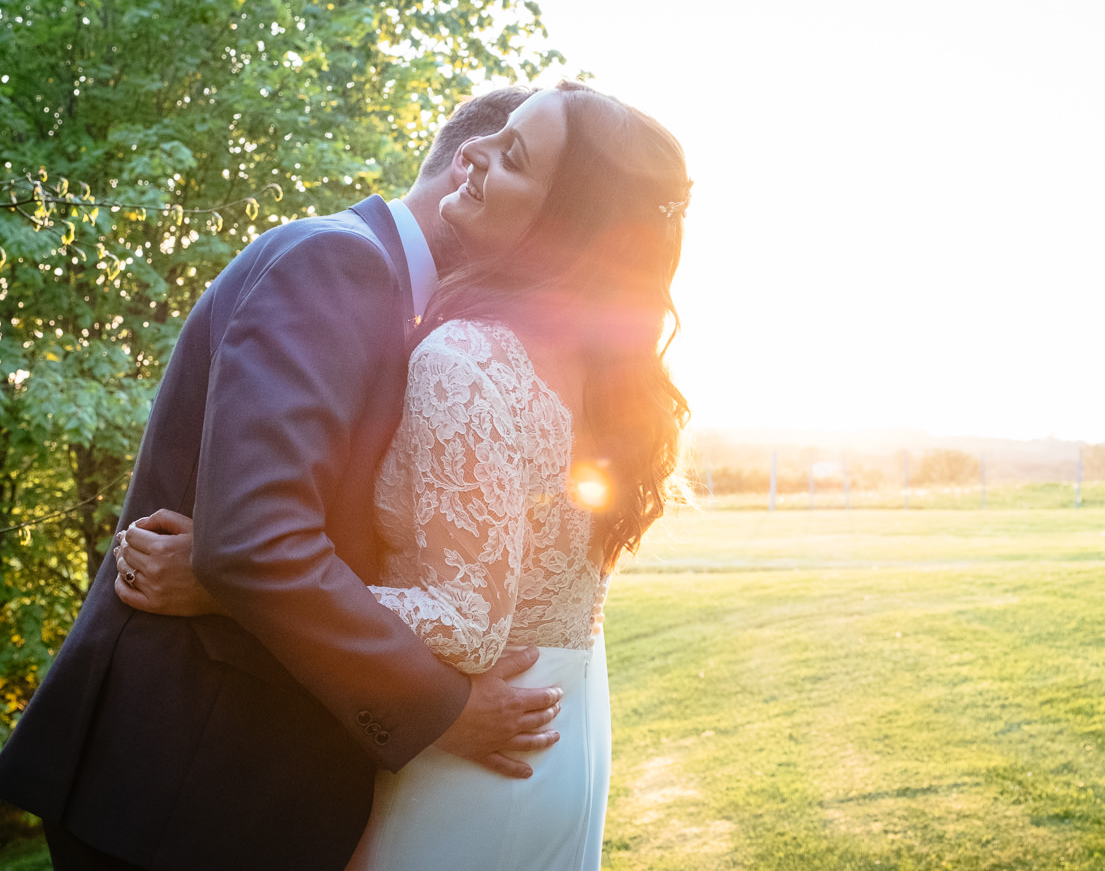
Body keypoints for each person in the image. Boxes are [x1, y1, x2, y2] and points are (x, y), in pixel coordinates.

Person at [105, 82, 691, 869]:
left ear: (563, 226)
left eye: (513, 154)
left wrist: (225, 588)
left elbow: (468, 617)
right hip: (566, 729)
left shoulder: (466, 357)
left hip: (488, 745)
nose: (467, 155)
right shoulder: (599, 376)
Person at [0, 87, 570, 871]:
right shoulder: (335, 263)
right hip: (182, 785)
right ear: (462, 163)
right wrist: (442, 710)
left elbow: (278, 543)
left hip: (232, 790)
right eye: (501, 152)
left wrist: (215, 574)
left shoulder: (427, 325)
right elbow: (257, 545)